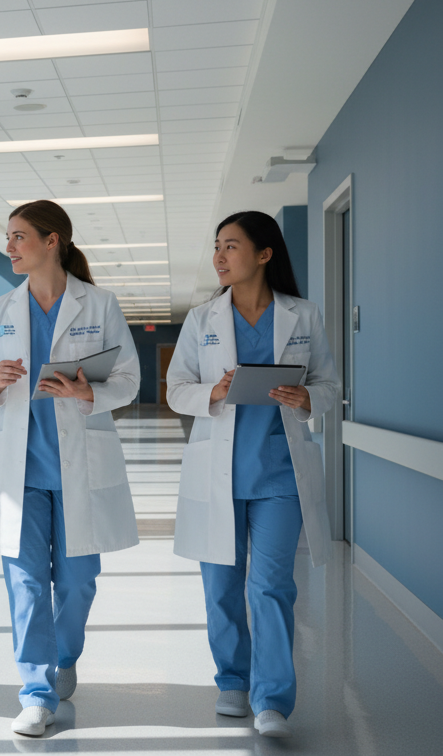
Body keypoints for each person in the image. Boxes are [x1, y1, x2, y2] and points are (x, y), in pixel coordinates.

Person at [0, 200, 140, 737]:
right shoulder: (0, 310)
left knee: (78, 581)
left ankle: (65, 654)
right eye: (8, 237)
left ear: (53, 241)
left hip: (78, 466)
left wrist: (91, 390)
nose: (10, 246)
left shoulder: (100, 304)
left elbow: (130, 380)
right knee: (23, 584)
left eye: (19, 236)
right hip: (20, 469)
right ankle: (35, 691)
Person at [166, 211, 338, 739]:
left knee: (271, 588)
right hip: (219, 470)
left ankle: (272, 700)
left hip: (280, 475)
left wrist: (310, 397)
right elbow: (176, 390)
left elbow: (330, 385)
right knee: (221, 586)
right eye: (217, 246)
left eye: (231, 247)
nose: (219, 257)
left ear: (264, 254)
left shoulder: (302, 315)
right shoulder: (201, 320)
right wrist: (213, 392)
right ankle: (232, 680)